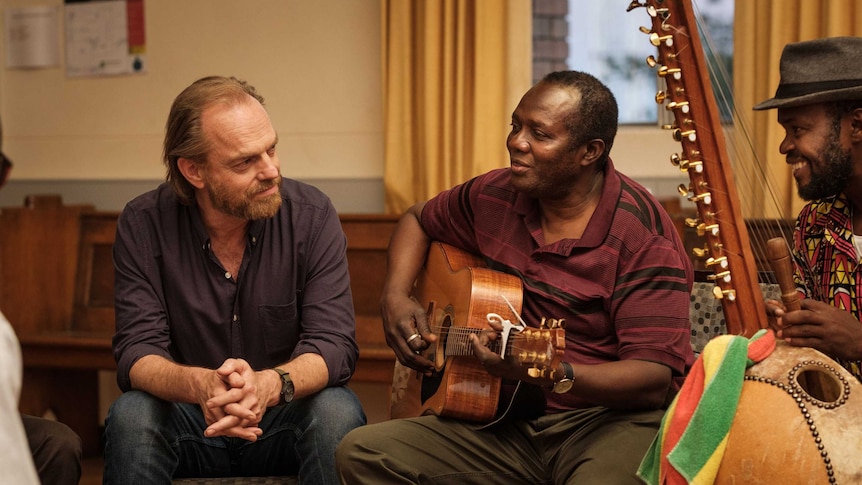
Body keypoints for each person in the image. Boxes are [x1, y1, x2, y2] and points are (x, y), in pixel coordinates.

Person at [336, 70, 694, 484]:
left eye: (539, 134)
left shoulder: (642, 235)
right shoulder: (497, 195)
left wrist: (544, 370)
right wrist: (396, 296)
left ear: (589, 152)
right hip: (504, 420)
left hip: (608, 422)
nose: (515, 142)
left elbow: (651, 378)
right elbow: (418, 218)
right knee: (361, 452)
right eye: (515, 125)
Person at [103, 76, 366, 484]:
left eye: (272, 149)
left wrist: (268, 385)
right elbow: (137, 351)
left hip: (281, 417)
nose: (271, 171)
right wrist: (201, 385)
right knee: (132, 414)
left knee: (337, 411)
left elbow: (333, 344)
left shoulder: (312, 216)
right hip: (190, 421)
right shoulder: (143, 223)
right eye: (245, 162)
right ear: (194, 170)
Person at [756, 37, 862, 383]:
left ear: (857, 126)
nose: (785, 146)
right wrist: (790, 326)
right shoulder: (815, 223)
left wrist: (859, 342)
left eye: (798, 129)